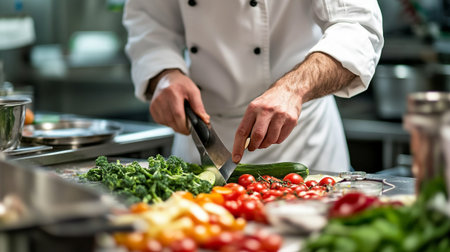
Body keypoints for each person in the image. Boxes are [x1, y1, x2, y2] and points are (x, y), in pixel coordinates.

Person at [123, 0, 383, 172]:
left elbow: (358, 27)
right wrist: (165, 73)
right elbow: (149, 22)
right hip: (202, 136)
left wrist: (292, 89)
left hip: (300, 143)